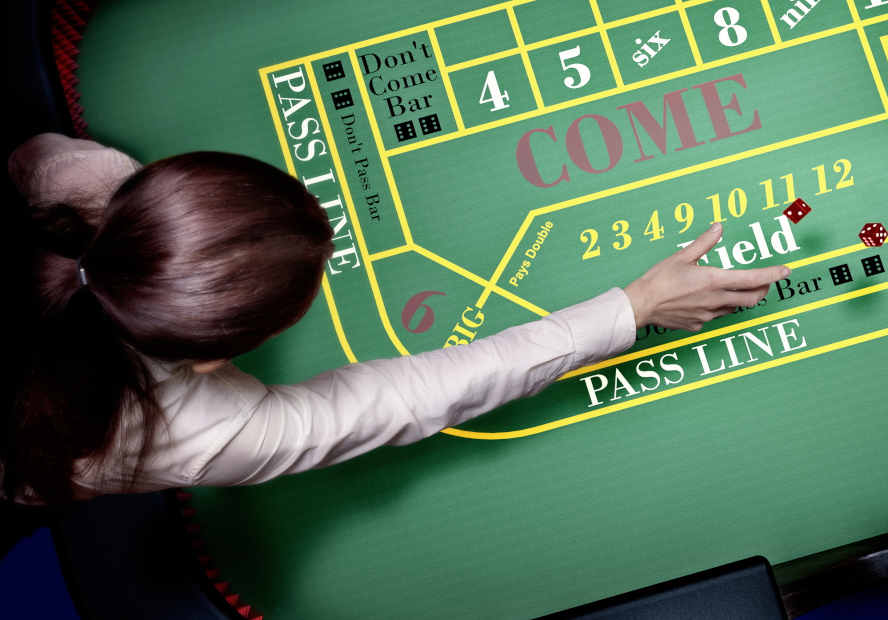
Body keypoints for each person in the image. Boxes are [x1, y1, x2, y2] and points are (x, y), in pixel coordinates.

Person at [3, 133, 788, 507]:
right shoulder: (188, 431)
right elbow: (414, 396)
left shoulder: (69, 177)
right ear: (212, 360)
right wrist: (637, 306)